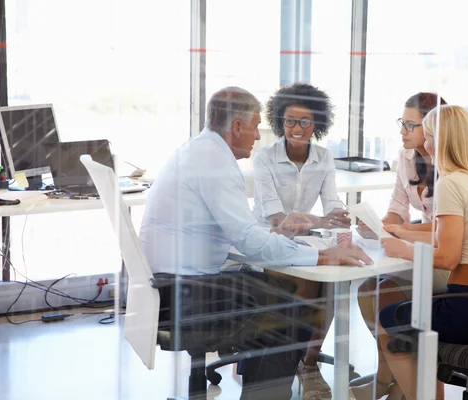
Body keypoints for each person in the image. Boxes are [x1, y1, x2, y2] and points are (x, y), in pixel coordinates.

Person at [138, 86, 372, 400]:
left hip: (169, 287)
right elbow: (252, 242)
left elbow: (243, 235)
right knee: (289, 310)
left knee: (277, 293)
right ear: (237, 127)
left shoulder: (198, 150)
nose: (258, 136)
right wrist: (324, 256)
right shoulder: (216, 164)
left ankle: (266, 383)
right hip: (186, 293)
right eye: (254, 127)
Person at [350, 105, 468, 400]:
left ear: (440, 140)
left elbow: (448, 258)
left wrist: (404, 248)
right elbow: (458, 237)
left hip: (465, 309)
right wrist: (404, 232)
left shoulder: (452, 183)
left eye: (428, 137)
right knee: (388, 298)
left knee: (390, 317)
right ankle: (393, 387)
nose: (425, 144)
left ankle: (406, 391)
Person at [252, 82, 350, 400]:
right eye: (290, 121)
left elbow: (332, 201)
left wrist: (339, 214)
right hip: (266, 243)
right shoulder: (265, 158)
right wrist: (321, 221)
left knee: (332, 286)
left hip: (302, 242)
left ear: (316, 124)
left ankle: (307, 363)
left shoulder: (324, 158)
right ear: (280, 120)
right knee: (312, 285)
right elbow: (275, 219)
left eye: (305, 122)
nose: (297, 128)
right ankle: (299, 365)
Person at [356, 93, 448, 335]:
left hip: (444, 252)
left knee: (383, 291)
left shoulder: (451, 169)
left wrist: (400, 231)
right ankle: (387, 365)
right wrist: (378, 225)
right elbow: (397, 208)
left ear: (432, 127)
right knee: (366, 289)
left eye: (410, 125)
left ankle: (398, 363)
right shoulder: (405, 157)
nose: (402, 132)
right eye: (402, 123)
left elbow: (445, 233)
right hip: (423, 242)